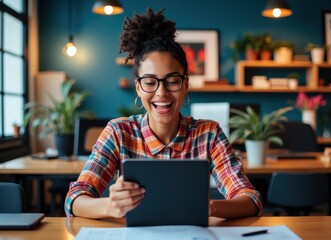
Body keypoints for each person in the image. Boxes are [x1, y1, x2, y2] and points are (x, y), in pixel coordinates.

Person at [65, 8, 262, 219]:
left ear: (185, 85)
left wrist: (212, 208)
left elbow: (250, 199)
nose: (161, 92)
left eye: (172, 81)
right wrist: (108, 207)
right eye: (150, 82)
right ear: (138, 88)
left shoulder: (208, 133)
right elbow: (75, 198)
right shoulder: (118, 132)